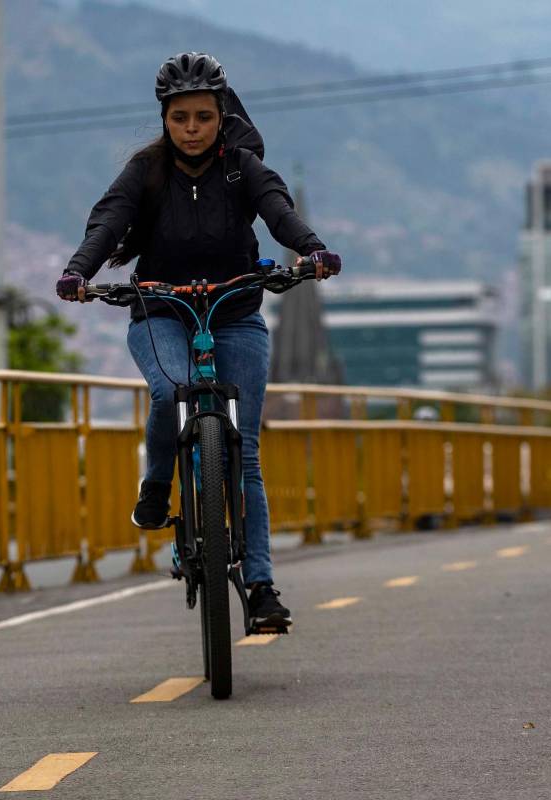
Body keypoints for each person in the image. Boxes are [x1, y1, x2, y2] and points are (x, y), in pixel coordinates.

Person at [55, 52, 342, 632]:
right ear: (165, 119)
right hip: (160, 311)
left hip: (236, 313)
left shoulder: (241, 168)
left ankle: (260, 586)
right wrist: (78, 271)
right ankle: (159, 483)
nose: (192, 129)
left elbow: (278, 211)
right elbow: (108, 223)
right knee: (171, 392)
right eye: (180, 117)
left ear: (222, 117)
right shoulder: (145, 171)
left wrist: (312, 249)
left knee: (246, 452)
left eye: (204, 117)